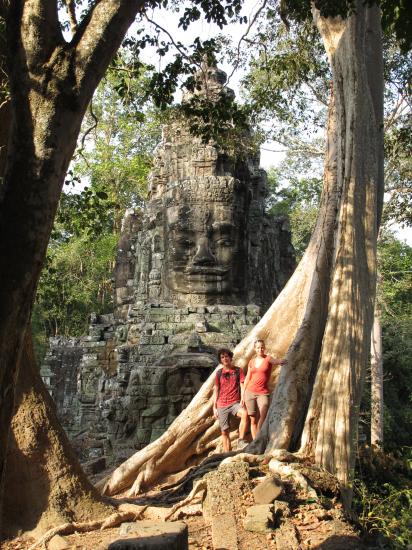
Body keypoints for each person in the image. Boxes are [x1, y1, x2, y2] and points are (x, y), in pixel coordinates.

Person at [242, 339, 287, 439]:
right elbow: (247, 378)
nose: (260, 349)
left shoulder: (268, 359)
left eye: (262, 347)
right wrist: (242, 396)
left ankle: (258, 437)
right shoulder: (251, 362)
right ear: (255, 349)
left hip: (263, 393)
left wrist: (282, 361)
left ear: (264, 347)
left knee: (263, 415)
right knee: (253, 420)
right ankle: (255, 442)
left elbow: (276, 361)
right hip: (249, 392)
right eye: (258, 347)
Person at [213, 348, 248, 452]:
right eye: (222, 357)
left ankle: (241, 440)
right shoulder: (219, 373)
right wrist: (214, 407)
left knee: (245, 414)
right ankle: (226, 454)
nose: (225, 359)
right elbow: (216, 389)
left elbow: (242, 385)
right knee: (224, 432)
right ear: (220, 360)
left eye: (226, 356)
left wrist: (243, 399)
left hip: (234, 403)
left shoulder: (238, 370)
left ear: (230, 357)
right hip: (221, 405)